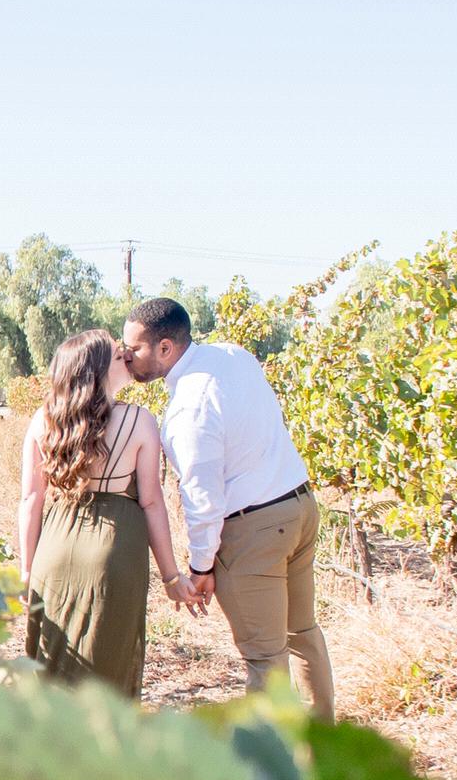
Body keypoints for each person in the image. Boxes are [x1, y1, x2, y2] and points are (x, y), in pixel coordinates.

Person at [121, 297, 336, 718]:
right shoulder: (233, 355)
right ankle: (325, 743)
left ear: (165, 347)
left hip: (254, 529)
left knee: (265, 657)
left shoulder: (188, 411)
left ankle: (271, 758)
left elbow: (203, 500)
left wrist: (201, 567)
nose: (127, 357)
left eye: (135, 348)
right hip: (299, 506)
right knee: (303, 633)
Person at [17, 329, 200, 699]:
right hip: (114, 551)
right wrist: (171, 576)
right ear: (97, 371)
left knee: (51, 665)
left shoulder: (44, 420)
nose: (127, 359)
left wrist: (26, 570)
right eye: (118, 356)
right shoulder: (140, 421)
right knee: (108, 667)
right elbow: (152, 502)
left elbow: (30, 500)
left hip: (54, 550)